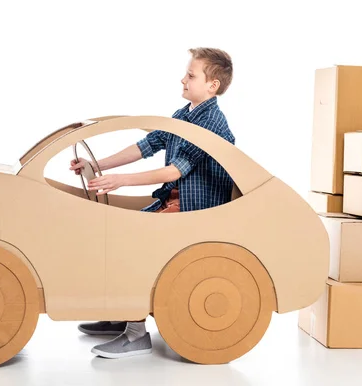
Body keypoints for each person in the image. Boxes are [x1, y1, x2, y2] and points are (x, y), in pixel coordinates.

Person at [69, 47, 236, 358]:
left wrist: (122, 180)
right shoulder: (184, 115)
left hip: (194, 211)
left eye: (191, 75)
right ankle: (123, 312)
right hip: (174, 202)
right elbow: (146, 145)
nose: (183, 79)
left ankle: (135, 334)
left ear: (212, 85)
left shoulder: (211, 121)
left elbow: (176, 169)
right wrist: (98, 165)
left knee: (134, 242)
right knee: (117, 234)